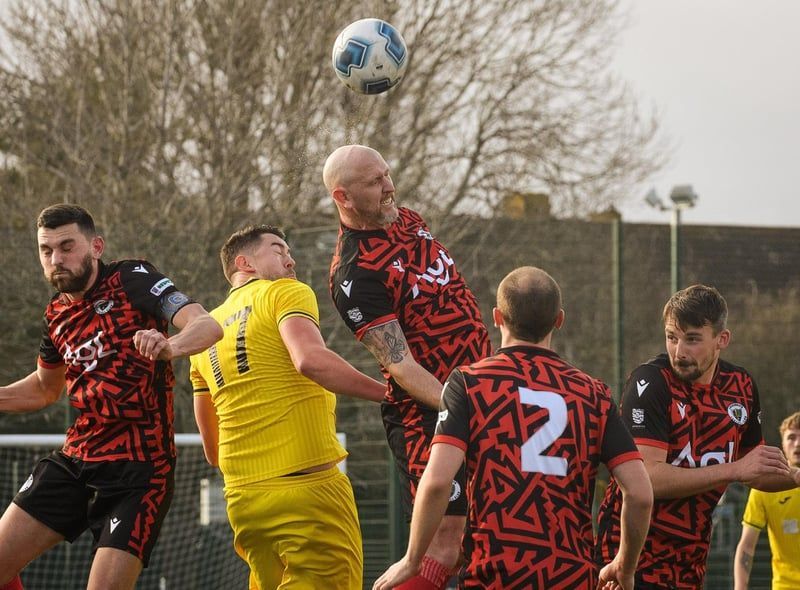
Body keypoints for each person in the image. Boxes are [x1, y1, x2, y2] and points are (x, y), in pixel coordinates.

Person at [373, 267, 653, 590]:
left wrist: (412, 559)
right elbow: (640, 493)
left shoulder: (469, 384)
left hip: (493, 576)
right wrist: (625, 566)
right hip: (569, 578)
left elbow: (437, 482)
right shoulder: (593, 394)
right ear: (559, 320)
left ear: (496, 317)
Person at [0, 204, 223, 590]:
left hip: (139, 471)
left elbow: (207, 325)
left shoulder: (132, 279)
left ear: (96, 246)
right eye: (46, 250)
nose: (56, 259)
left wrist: (170, 346)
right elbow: (45, 388)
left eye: (67, 247)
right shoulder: (55, 314)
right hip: (76, 460)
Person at [324, 144, 493, 589]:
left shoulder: (407, 219)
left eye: (386, 174)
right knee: (443, 545)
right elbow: (401, 367)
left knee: (479, 538)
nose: (389, 186)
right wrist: (465, 408)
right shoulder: (355, 274)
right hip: (427, 417)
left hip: (479, 399)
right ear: (342, 197)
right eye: (374, 181)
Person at [190, 224, 385, 590]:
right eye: (278, 250)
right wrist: (390, 394)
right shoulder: (284, 292)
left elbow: (211, 450)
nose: (290, 260)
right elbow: (310, 360)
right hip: (307, 490)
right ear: (244, 263)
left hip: (244, 500)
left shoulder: (204, 331)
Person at [596, 284, 800, 589]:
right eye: (671, 337)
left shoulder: (741, 387)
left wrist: (795, 476)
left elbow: (755, 470)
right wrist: (733, 469)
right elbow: (646, 478)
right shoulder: (651, 382)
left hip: (690, 563)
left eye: (692, 339)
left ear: (722, 339)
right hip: (629, 561)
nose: (679, 352)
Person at [734, 411, 800, 590]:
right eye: (791, 437)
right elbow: (747, 546)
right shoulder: (765, 488)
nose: (798, 443)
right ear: (782, 444)